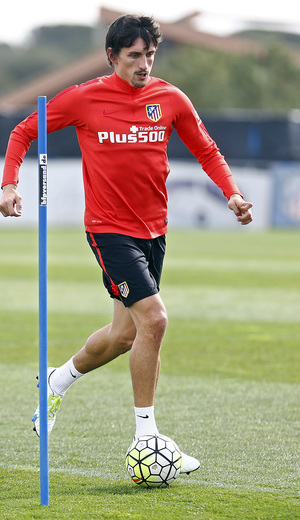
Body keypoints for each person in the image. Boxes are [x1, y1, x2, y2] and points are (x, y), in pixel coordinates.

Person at [0, 14, 253, 475]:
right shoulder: (83, 98)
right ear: (112, 56)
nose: (144, 64)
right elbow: (22, 131)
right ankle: (148, 439)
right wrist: (9, 184)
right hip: (108, 230)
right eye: (134, 56)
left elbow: (207, 150)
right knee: (154, 320)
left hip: (155, 230)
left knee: (125, 335)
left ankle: (55, 382)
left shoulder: (170, 97)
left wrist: (232, 192)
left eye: (150, 55)